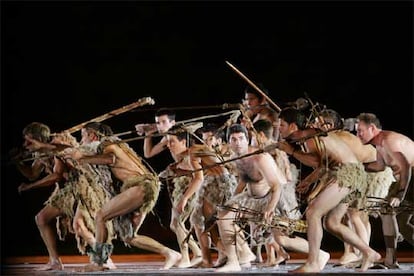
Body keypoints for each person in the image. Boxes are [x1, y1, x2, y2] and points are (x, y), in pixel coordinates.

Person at [277, 107, 381, 272]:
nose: (278, 128)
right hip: (349, 173)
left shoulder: (310, 137)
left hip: (347, 173)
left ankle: (313, 263)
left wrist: (291, 151)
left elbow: (315, 162)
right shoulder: (309, 136)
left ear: (293, 127)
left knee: (313, 213)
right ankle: (370, 253)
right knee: (331, 222)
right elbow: (322, 163)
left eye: (281, 125)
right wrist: (309, 180)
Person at [67, 126, 181, 271]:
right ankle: (170, 253)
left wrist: (82, 158)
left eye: (83, 136)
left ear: (93, 136)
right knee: (128, 236)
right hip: (146, 188)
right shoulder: (117, 145)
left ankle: (99, 262)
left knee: (101, 216)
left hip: (140, 186)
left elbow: (110, 159)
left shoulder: (107, 145)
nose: (81, 140)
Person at [22, 124, 116, 270]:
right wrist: (18, 163)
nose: (26, 145)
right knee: (42, 218)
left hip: (83, 185)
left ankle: (104, 258)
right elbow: (32, 174)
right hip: (68, 188)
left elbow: (57, 175)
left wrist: (29, 187)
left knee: (79, 226)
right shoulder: (40, 152)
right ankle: (55, 261)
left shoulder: (57, 142)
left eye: (29, 141)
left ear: (38, 139)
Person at [215, 123, 284, 272]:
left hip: (269, 198)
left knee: (283, 240)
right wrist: (231, 201)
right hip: (249, 197)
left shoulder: (260, 158)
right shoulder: (236, 158)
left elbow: (276, 186)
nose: (238, 142)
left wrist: (270, 208)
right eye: (233, 139)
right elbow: (243, 180)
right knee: (223, 215)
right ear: (229, 143)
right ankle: (233, 261)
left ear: (247, 140)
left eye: (241, 138)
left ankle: (319, 254)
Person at [356, 112, 414, 268]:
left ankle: (390, 259)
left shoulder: (388, 140)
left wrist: (400, 194)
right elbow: (379, 166)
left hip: (410, 177)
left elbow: (406, 166)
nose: (358, 134)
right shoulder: (380, 144)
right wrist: (355, 166)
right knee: (399, 221)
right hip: (406, 178)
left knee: (390, 212)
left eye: (360, 130)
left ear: (372, 128)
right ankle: (390, 259)